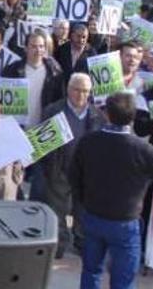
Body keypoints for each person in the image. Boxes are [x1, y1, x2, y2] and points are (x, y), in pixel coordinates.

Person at [69, 92, 153, 289]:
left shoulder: (89, 141)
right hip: (125, 222)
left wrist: (84, 202)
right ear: (133, 117)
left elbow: (73, 175)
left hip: (94, 216)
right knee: (123, 279)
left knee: (91, 271)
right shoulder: (142, 149)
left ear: (107, 114)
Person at [34, 74, 106, 258]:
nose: (80, 95)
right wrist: (48, 168)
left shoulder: (98, 116)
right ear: (68, 89)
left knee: (83, 210)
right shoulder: (53, 110)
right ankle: (59, 244)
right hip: (59, 169)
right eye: (76, 89)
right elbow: (40, 144)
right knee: (57, 209)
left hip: (85, 173)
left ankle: (81, 241)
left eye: (85, 91)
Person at [0, 31, 64, 126]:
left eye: (41, 46)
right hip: (18, 127)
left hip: (43, 128)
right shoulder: (11, 71)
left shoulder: (55, 72)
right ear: (26, 48)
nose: (38, 50)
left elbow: (59, 102)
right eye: (34, 46)